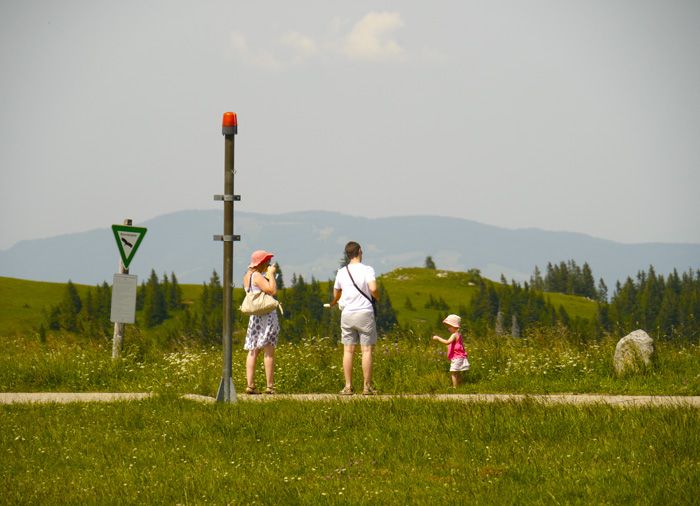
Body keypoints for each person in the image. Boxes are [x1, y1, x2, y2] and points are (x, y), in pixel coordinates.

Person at [331, 241, 380, 395]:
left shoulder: (341, 272)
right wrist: (376, 298)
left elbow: (336, 293)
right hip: (364, 312)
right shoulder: (367, 270)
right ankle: (366, 386)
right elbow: (373, 288)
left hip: (347, 314)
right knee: (366, 350)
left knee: (348, 350)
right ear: (359, 251)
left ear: (347, 255)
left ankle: (348, 386)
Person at [243, 250, 280, 394]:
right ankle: (270, 386)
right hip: (266, 316)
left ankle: (250, 384)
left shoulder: (248, 276)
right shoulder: (258, 275)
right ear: (262, 262)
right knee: (268, 351)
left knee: (253, 350)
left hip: (255, 316)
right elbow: (272, 290)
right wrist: (271, 274)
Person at [432, 314, 470, 387]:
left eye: (450, 327)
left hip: (457, 357)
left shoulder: (454, 335)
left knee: (453, 372)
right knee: (458, 372)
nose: (448, 329)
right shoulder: (458, 335)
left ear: (455, 327)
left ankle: (455, 386)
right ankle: (461, 385)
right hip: (460, 356)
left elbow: (447, 342)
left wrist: (438, 338)